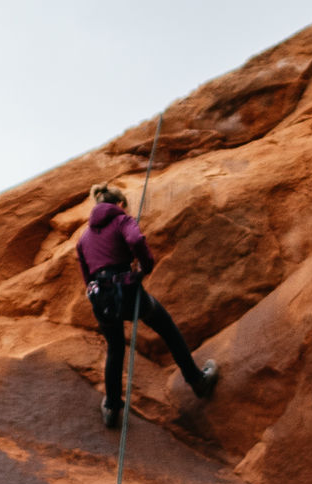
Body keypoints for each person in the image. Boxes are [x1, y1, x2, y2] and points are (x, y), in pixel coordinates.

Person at [77, 182, 218, 428]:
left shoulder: (84, 238)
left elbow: (86, 274)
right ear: (120, 204)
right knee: (167, 328)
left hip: (100, 296)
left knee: (115, 347)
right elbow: (136, 239)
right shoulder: (123, 220)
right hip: (126, 290)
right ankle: (197, 381)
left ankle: (111, 407)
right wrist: (145, 266)